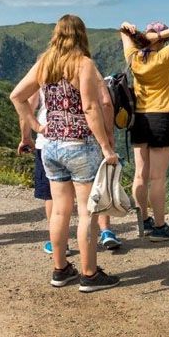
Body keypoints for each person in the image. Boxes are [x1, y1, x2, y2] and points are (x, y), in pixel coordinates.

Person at [11, 14, 120, 292]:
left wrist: (36, 126)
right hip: (80, 144)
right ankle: (89, 274)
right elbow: (91, 108)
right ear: (81, 35)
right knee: (87, 213)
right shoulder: (83, 64)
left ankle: (60, 270)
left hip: (50, 146)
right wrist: (107, 147)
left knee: (59, 210)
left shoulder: (45, 62)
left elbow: (17, 95)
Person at [19, 91, 121, 255]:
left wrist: (27, 135)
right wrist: (107, 135)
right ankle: (105, 232)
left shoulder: (43, 69)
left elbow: (27, 102)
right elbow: (106, 102)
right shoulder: (84, 68)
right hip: (83, 141)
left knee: (53, 197)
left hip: (48, 142)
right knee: (93, 194)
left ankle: (59, 245)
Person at [119, 20, 169, 241]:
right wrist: (160, 36)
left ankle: (143, 222)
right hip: (160, 117)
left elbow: (122, 30)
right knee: (157, 178)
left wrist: (134, 31)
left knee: (140, 175)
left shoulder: (132, 57)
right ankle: (160, 227)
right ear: (161, 40)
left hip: (138, 119)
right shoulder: (163, 56)